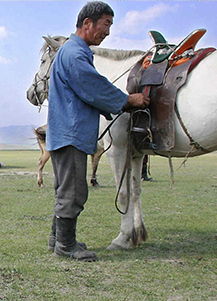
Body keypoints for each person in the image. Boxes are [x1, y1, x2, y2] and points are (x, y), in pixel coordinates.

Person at [46, 1, 150, 261]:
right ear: (87, 23)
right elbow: (92, 86)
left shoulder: (73, 51)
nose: (108, 32)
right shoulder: (75, 54)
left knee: (65, 188)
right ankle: (66, 246)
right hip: (72, 133)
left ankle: (57, 239)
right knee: (74, 191)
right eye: (106, 24)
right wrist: (128, 100)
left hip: (65, 132)